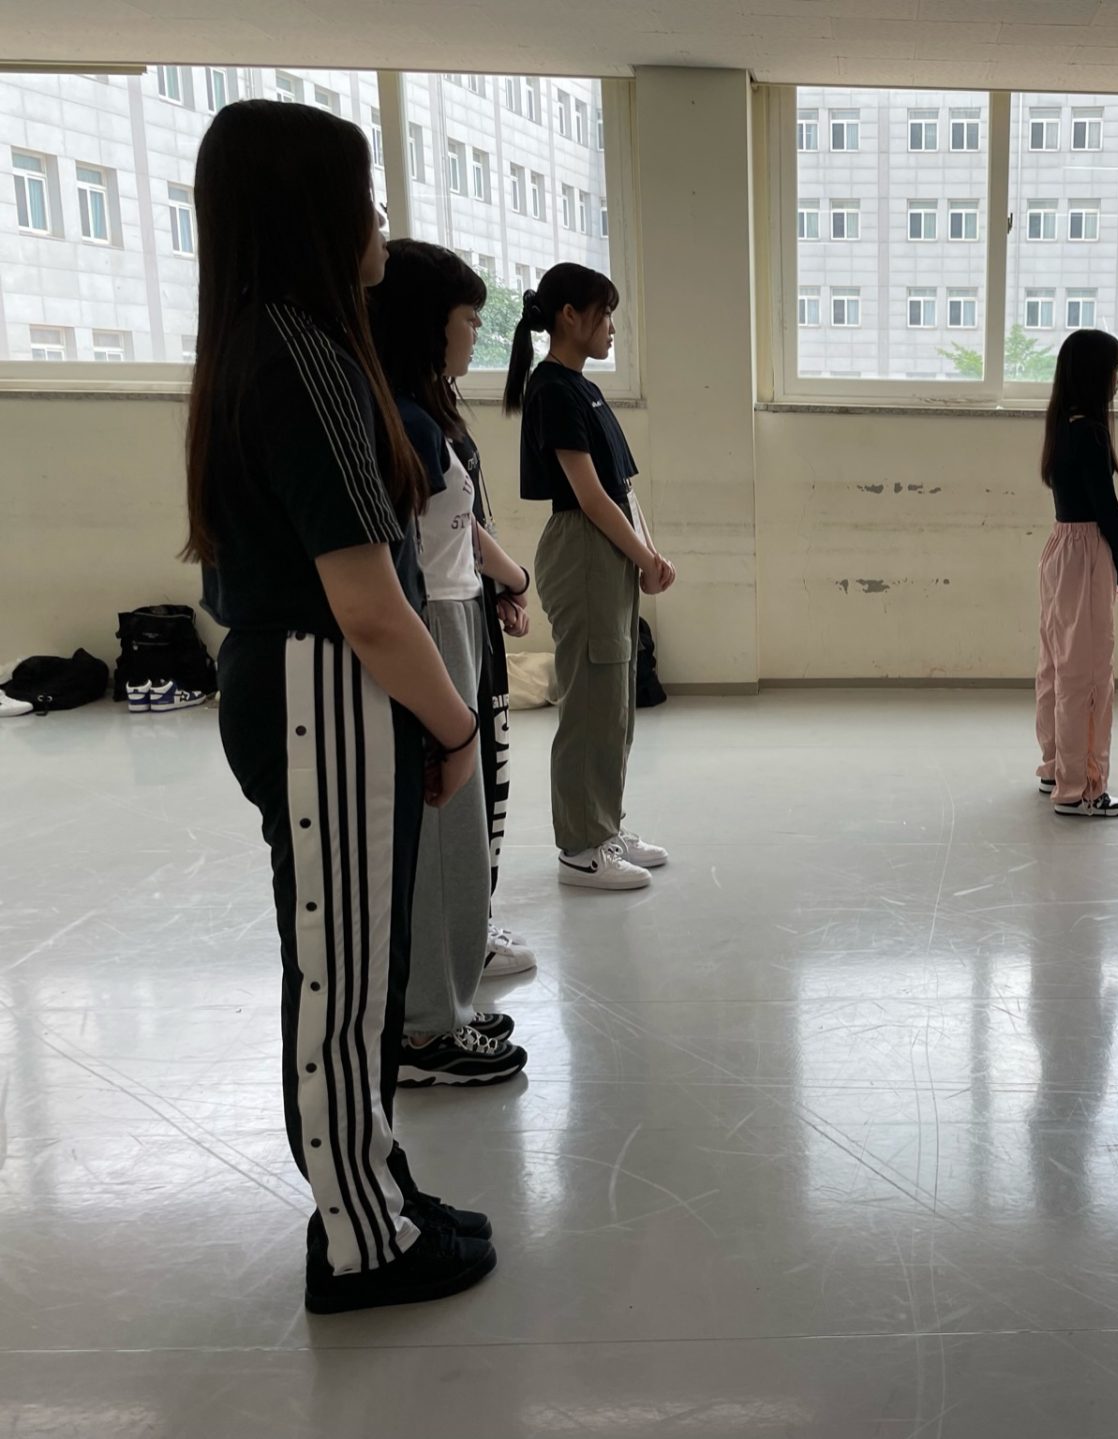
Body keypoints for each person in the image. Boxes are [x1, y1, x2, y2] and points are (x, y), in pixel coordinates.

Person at [184, 100, 495, 1311]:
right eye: (366, 197)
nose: (380, 222)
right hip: (326, 688)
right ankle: (364, 1239)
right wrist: (456, 722)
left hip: (321, 688)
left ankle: (377, 1187)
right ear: (312, 213)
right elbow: (367, 602)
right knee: (341, 978)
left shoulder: (272, 343)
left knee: (356, 965)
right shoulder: (301, 356)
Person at [369, 240, 533, 1086]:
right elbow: (405, 557)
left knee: (459, 824)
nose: (475, 333)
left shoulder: (423, 415)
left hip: (456, 611)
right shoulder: (401, 419)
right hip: (432, 619)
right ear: (425, 324)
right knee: (439, 825)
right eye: (468, 318)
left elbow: (455, 535)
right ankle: (426, 1029)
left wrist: (499, 585)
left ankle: (448, 1003)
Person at [503, 264, 676, 887]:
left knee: (615, 702)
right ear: (569, 316)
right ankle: (580, 847)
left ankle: (604, 827)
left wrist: (649, 555)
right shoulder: (552, 388)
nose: (610, 328)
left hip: (608, 549)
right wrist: (642, 557)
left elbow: (621, 487)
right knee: (590, 703)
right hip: (583, 550)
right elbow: (589, 496)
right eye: (604, 315)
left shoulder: (584, 389)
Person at [1035, 329, 1118, 819]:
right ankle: (1083, 789)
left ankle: (1056, 767)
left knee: (1058, 666)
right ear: (1097, 376)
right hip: (1087, 553)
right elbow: (1107, 508)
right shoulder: (1092, 434)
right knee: (1090, 675)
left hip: (1059, 548)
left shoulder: (1061, 427)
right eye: (1115, 369)